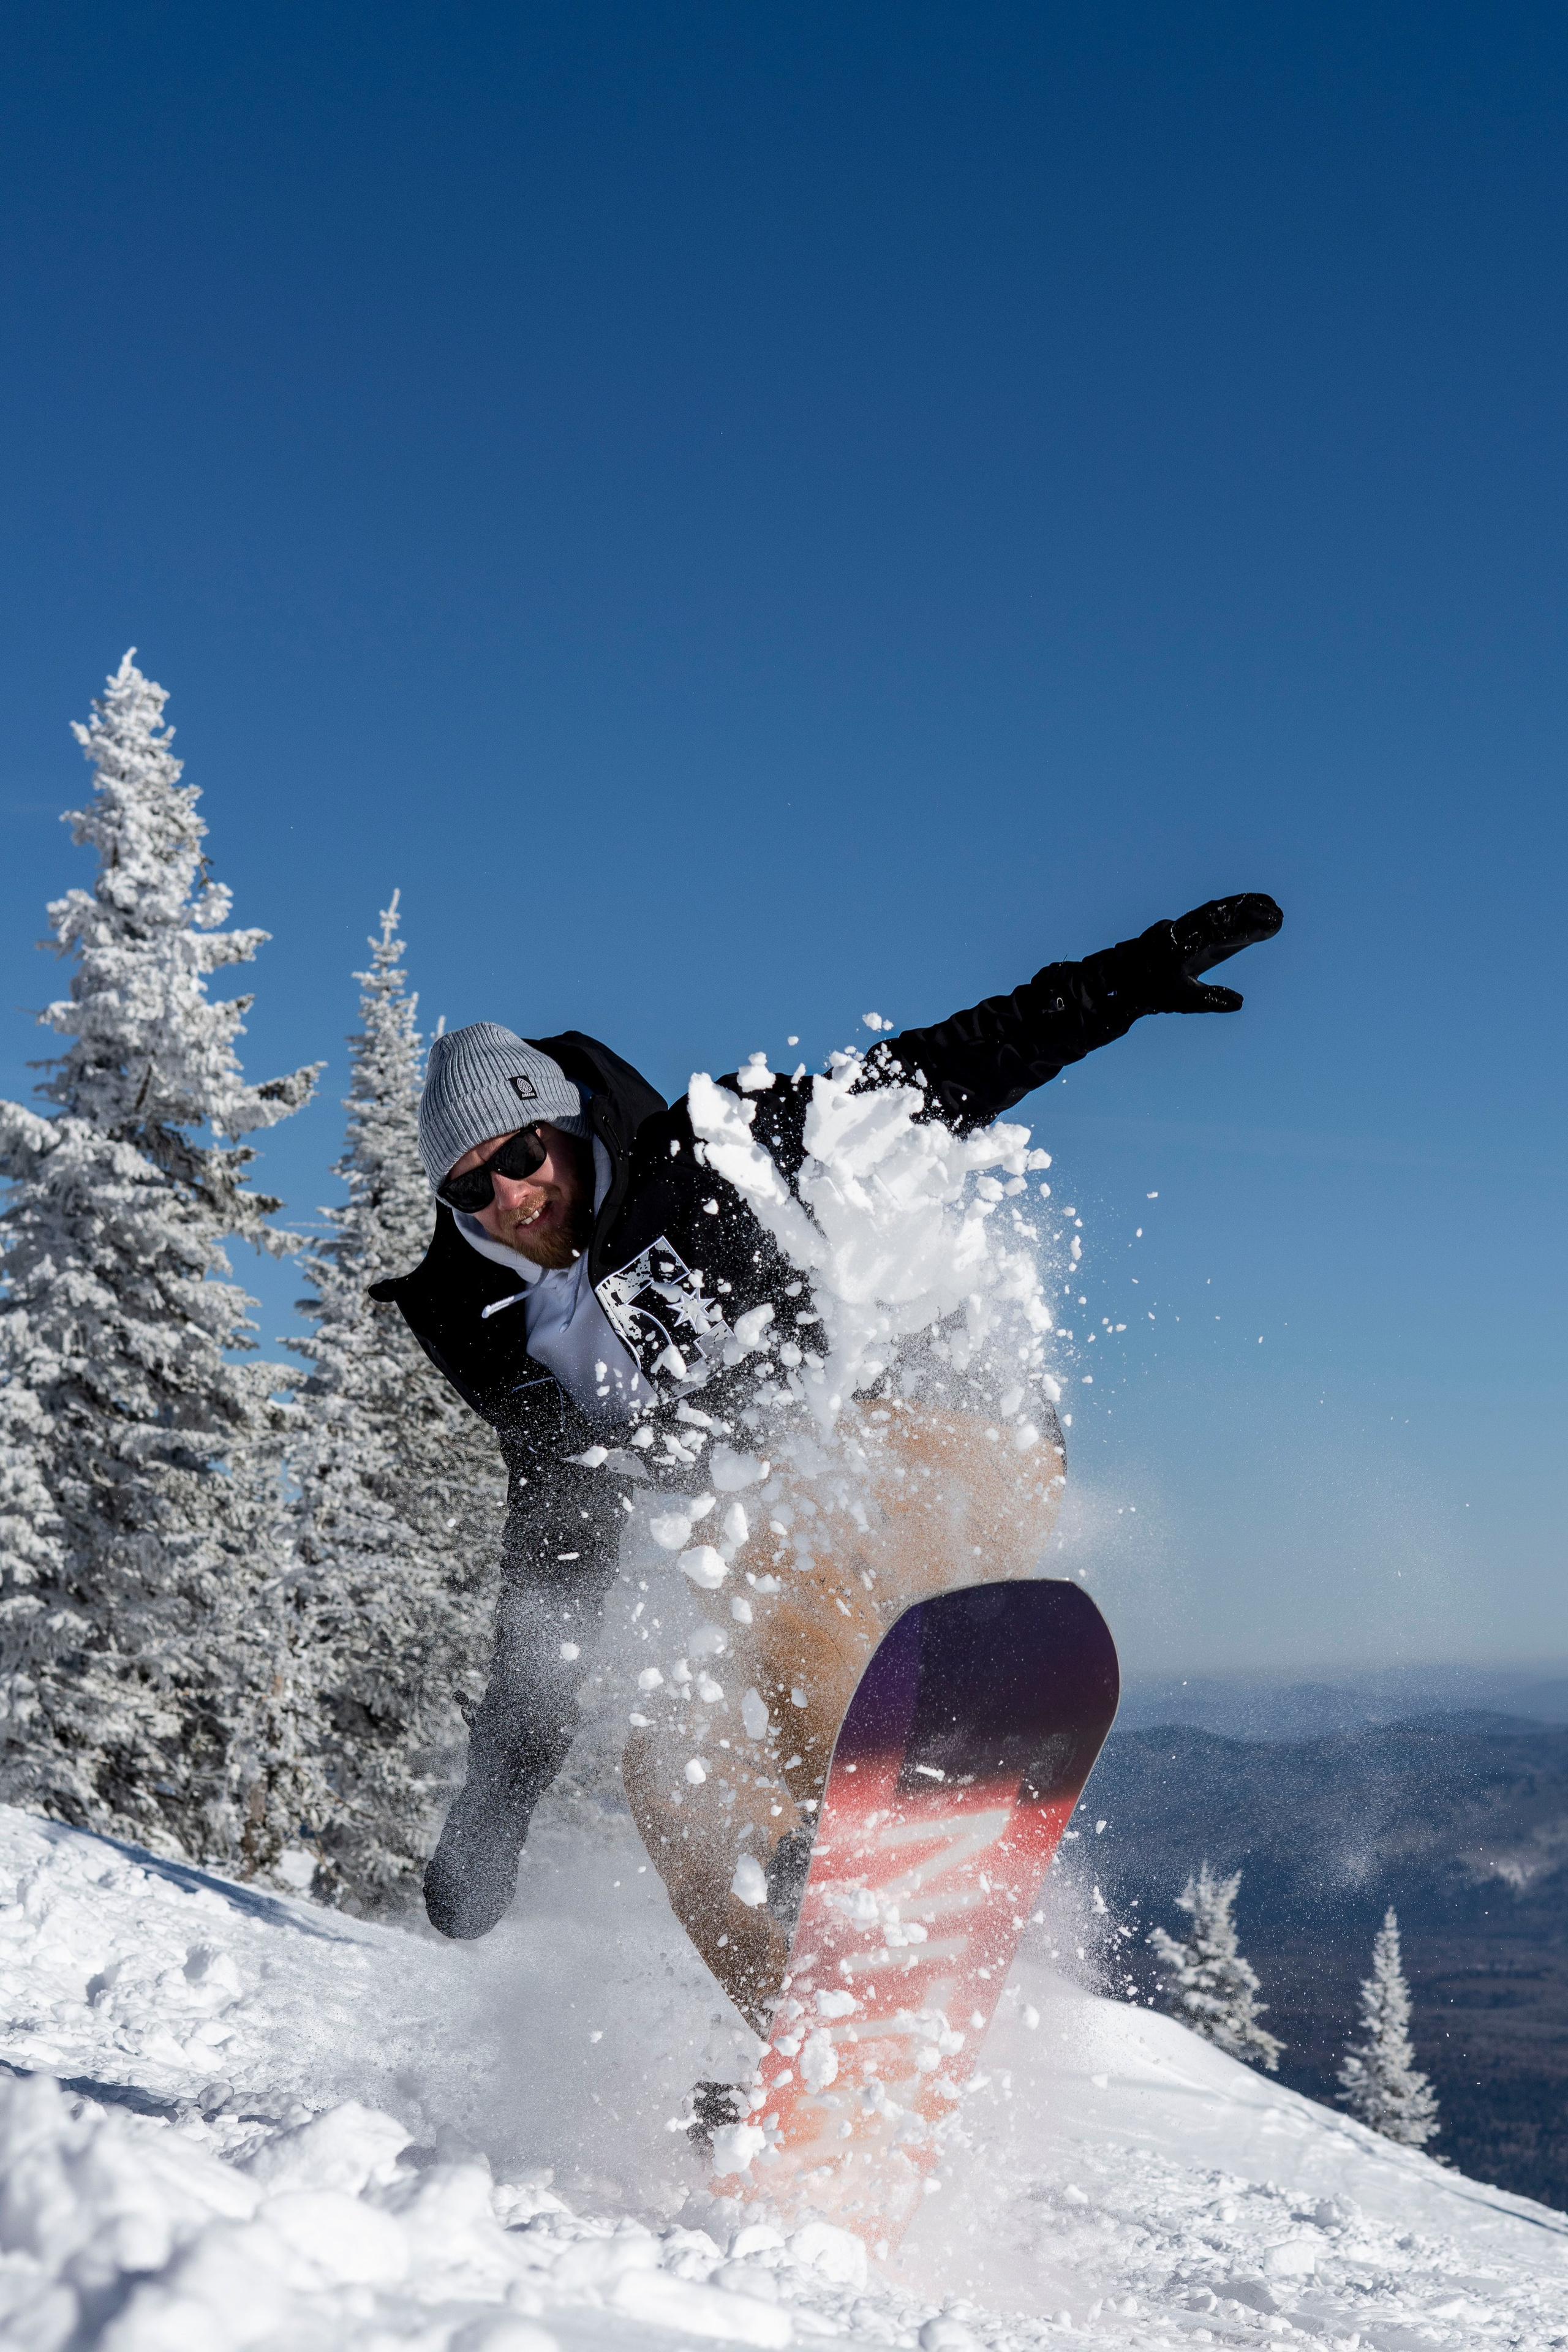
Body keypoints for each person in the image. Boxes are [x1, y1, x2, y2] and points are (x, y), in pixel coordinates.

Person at [374, 893, 1281, 2007]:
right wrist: (497, 1804)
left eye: (522, 1152)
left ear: (561, 1124)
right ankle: (811, 2050)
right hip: (801, 1562)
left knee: (754, 1521)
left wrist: (1123, 983)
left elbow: (931, 1078)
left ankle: (855, 1853)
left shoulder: (712, 1152)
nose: (514, 1193)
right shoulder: (530, 1361)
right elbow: (553, 1580)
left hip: (951, 1426)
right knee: (670, 1775)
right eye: (474, 1184)